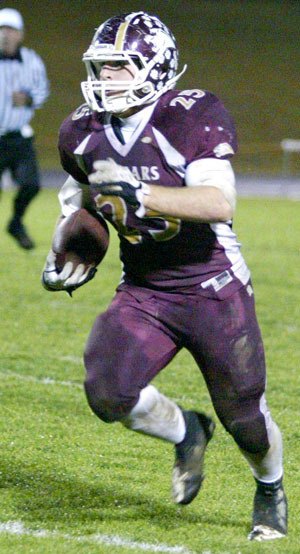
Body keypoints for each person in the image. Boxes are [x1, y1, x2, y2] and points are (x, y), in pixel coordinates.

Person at [42, 12, 287, 541]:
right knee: (107, 389)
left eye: (119, 69)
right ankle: (186, 432)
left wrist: (141, 194)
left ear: (154, 69)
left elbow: (219, 202)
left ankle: (270, 487)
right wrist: (70, 247)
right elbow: (83, 198)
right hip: (145, 288)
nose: (105, 80)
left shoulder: (191, 115)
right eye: (102, 68)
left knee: (243, 415)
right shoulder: (82, 132)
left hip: (212, 284)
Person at [0, 8, 49, 249]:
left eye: (10, 30)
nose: (5, 35)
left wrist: (29, 99)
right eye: (1, 30)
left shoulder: (31, 60)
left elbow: (43, 90)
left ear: (20, 34)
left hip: (18, 136)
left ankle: (16, 222)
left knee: (31, 185)